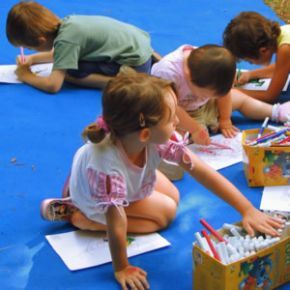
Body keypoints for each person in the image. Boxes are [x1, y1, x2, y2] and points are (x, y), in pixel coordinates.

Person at [40, 71, 283, 290]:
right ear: (145, 133)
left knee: (174, 197)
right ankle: (79, 215)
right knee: (165, 214)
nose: (178, 121)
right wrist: (121, 267)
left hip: (112, 176)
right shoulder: (108, 168)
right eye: (171, 118)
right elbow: (117, 224)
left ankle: (78, 196)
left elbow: (201, 171)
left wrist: (247, 209)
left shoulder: (148, 137)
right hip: (96, 195)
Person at [6, 1, 159, 93]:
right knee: (69, 60)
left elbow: (53, 85)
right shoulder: (68, 24)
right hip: (140, 46)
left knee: (70, 72)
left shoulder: (66, 42)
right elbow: (61, 53)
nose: (31, 52)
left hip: (135, 64)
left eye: (30, 49)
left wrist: (25, 76)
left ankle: (118, 80)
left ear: (41, 40)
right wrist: (32, 59)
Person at [151, 44, 290, 145]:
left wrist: (225, 119)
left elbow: (225, 94)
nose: (216, 96)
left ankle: (276, 111)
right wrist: (195, 129)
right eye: (211, 94)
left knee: (240, 98)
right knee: (171, 136)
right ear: (192, 81)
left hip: (203, 106)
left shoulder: (209, 64)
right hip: (177, 113)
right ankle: (197, 131)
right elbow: (171, 108)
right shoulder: (167, 73)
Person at [223, 11, 290, 103]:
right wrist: (250, 74)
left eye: (250, 61)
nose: (251, 64)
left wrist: (233, 92)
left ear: (263, 51)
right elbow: (283, 66)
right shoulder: (281, 33)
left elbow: (270, 96)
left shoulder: (285, 49)